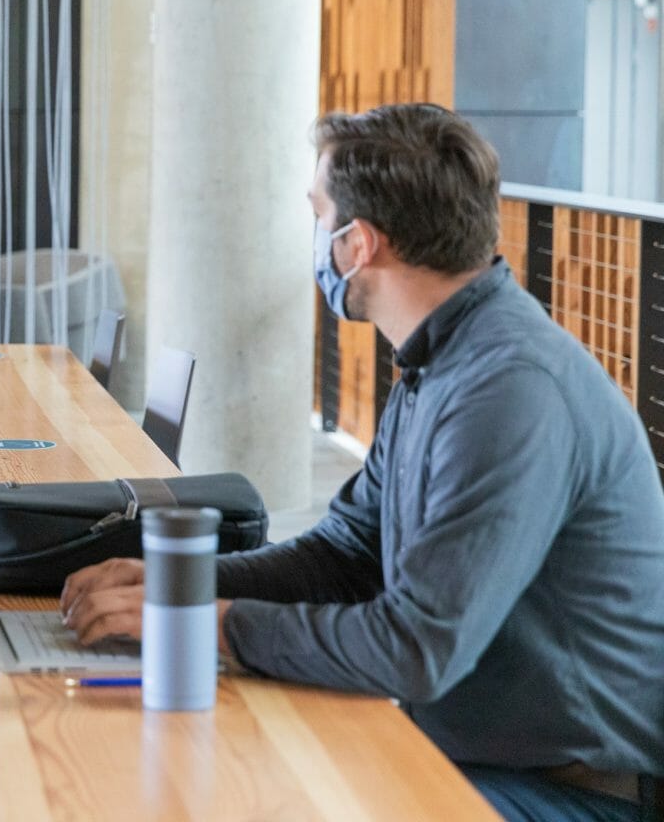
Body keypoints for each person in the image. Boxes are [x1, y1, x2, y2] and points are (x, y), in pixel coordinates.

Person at [60, 104, 664, 821]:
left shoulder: (509, 391)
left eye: (319, 216)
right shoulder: (442, 361)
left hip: (570, 793)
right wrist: (182, 587)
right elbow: (348, 553)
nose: (315, 237)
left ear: (359, 244)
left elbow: (414, 649)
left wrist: (206, 622)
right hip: (475, 752)